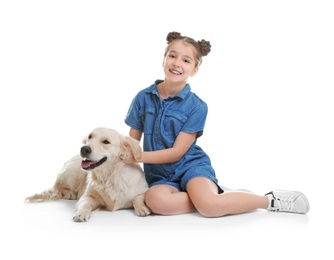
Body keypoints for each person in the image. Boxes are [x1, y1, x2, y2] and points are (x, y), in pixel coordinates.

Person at [123, 31, 310, 217]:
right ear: (163, 60)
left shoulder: (197, 106)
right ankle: (223, 197)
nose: (177, 63)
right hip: (160, 177)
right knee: (156, 202)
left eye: (186, 60)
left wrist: (137, 157)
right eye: (172, 56)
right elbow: (131, 143)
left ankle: (269, 200)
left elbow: (177, 152)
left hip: (190, 166)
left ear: (194, 70)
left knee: (209, 208)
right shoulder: (142, 98)